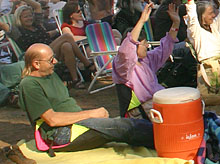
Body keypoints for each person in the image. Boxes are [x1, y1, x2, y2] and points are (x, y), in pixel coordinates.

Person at [18, 43, 154, 152]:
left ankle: (165, 135)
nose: (55, 61)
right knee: (125, 126)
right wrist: (91, 114)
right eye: (50, 60)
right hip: (62, 133)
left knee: (125, 124)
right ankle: (168, 141)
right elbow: (52, 120)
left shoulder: (50, 74)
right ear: (36, 64)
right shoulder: (30, 85)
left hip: (76, 123)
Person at [112, 2, 179, 111]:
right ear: (135, 46)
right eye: (144, 44)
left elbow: (166, 46)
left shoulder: (147, 60)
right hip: (141, 111)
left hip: (158, 102)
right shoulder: (123, 68)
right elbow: (127, 48)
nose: (147, 46)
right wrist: (142, 20)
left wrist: (175, 23)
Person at [10, 3, 94, 88]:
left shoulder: (37, 26)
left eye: (30, 15)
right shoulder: (18, 31)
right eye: (25, 17)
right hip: (38, 54)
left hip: (50, 50)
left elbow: (38, 7)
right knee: (67, 36)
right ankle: (87, 64)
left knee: (67, 46)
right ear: (19, 19)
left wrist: (56, 31)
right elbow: (7, 29)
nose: (29, 18)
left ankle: (75, 79)